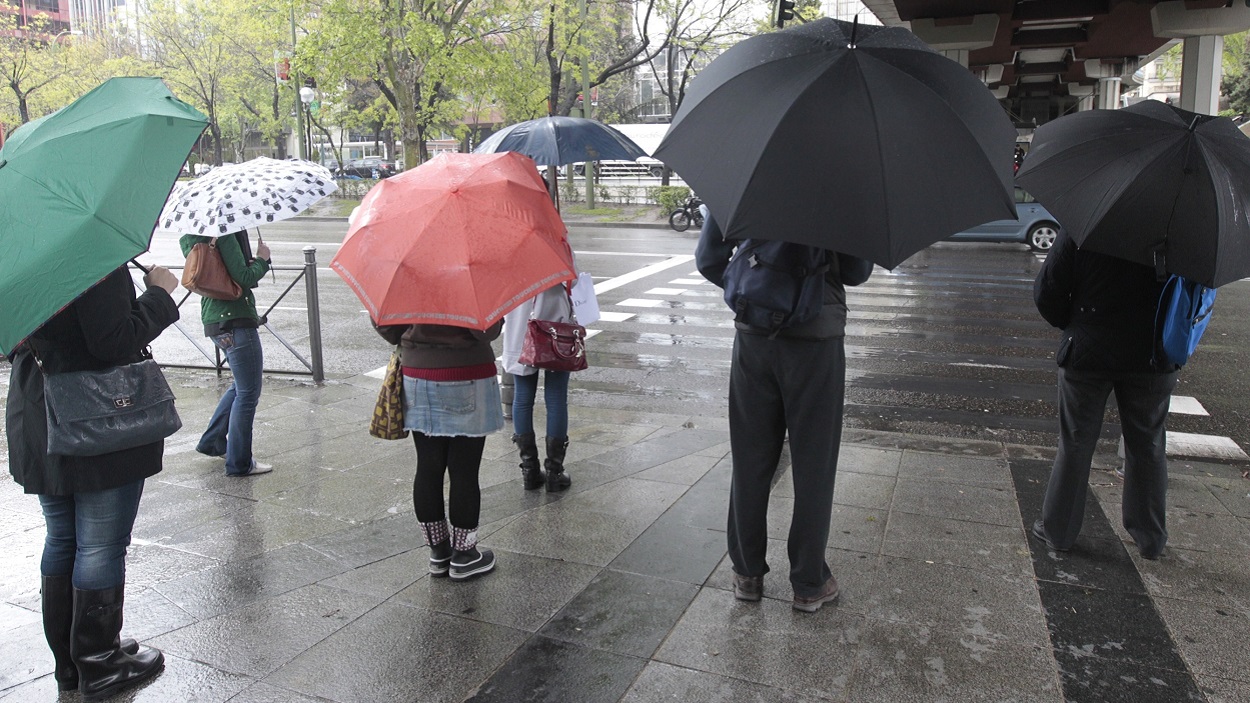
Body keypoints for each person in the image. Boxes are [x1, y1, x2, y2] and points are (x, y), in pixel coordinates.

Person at [6, 264, 180, 699]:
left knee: (63, 538)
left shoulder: (17, 256)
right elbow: (112, 341)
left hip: (38, 408)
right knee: (99, 544)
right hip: (96, 413)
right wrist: (159, 294)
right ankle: (100, 665)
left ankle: (72, 662)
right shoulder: (91, 260)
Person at [695, 212, 873, 613]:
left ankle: (747, 573)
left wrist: (757, 290)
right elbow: (858, 271)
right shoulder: (842, 188)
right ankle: (809, 582)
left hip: (754, 336)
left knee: (750, 458)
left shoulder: (745, 176)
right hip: (817, 339)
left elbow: (709, 260)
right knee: (814, 464)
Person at [1032, 230, 1177, 559]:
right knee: (1148, 445)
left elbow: (1048, 292)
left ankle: (1059, 532)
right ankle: (1150, 538)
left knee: (1076, 442)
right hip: (1153, 354)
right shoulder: (1177, 226)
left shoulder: (1088, 223)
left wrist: (1076, 324)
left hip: (1088, 351)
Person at [375, 320, 505, 580]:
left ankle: (439, 552)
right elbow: (486, 331)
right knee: (464, 470)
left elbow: (387, 328)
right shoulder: (471, 278)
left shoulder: (406, 278)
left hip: (417, 374)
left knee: (428, 466)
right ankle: (464, 555)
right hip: (468, 372)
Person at [178, 230, 272, 477]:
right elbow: (243, 278)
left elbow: (218, 271)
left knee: (240, 387)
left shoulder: (191, 237)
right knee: (248, 394)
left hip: (214, 322)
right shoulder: (223, 234)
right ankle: (240, 463)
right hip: (235, 320)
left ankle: (213, 442)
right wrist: (263, 259)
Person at [501, 276, 578, 493]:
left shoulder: (509, 251)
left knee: (523, 398)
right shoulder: (557, 244)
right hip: (556, 329)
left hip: (520, 328)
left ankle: (530, 471)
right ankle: (554, 472)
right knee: (555, 398)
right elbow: (574, 279)